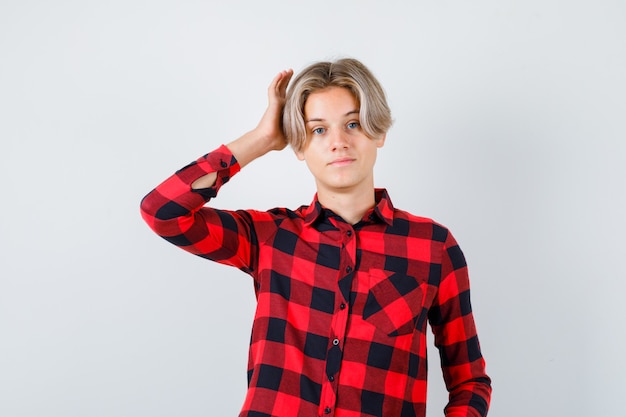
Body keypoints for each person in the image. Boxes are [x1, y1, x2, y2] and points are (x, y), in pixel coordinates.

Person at [140, 58, 492, 417]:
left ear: (379, 132)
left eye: (352, 124)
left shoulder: (433, 247)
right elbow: (163, 211)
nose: (338, 142)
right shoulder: (270, 238)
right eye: (318, 130)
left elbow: (469, 382)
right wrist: (261, 139)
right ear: (298, 145)